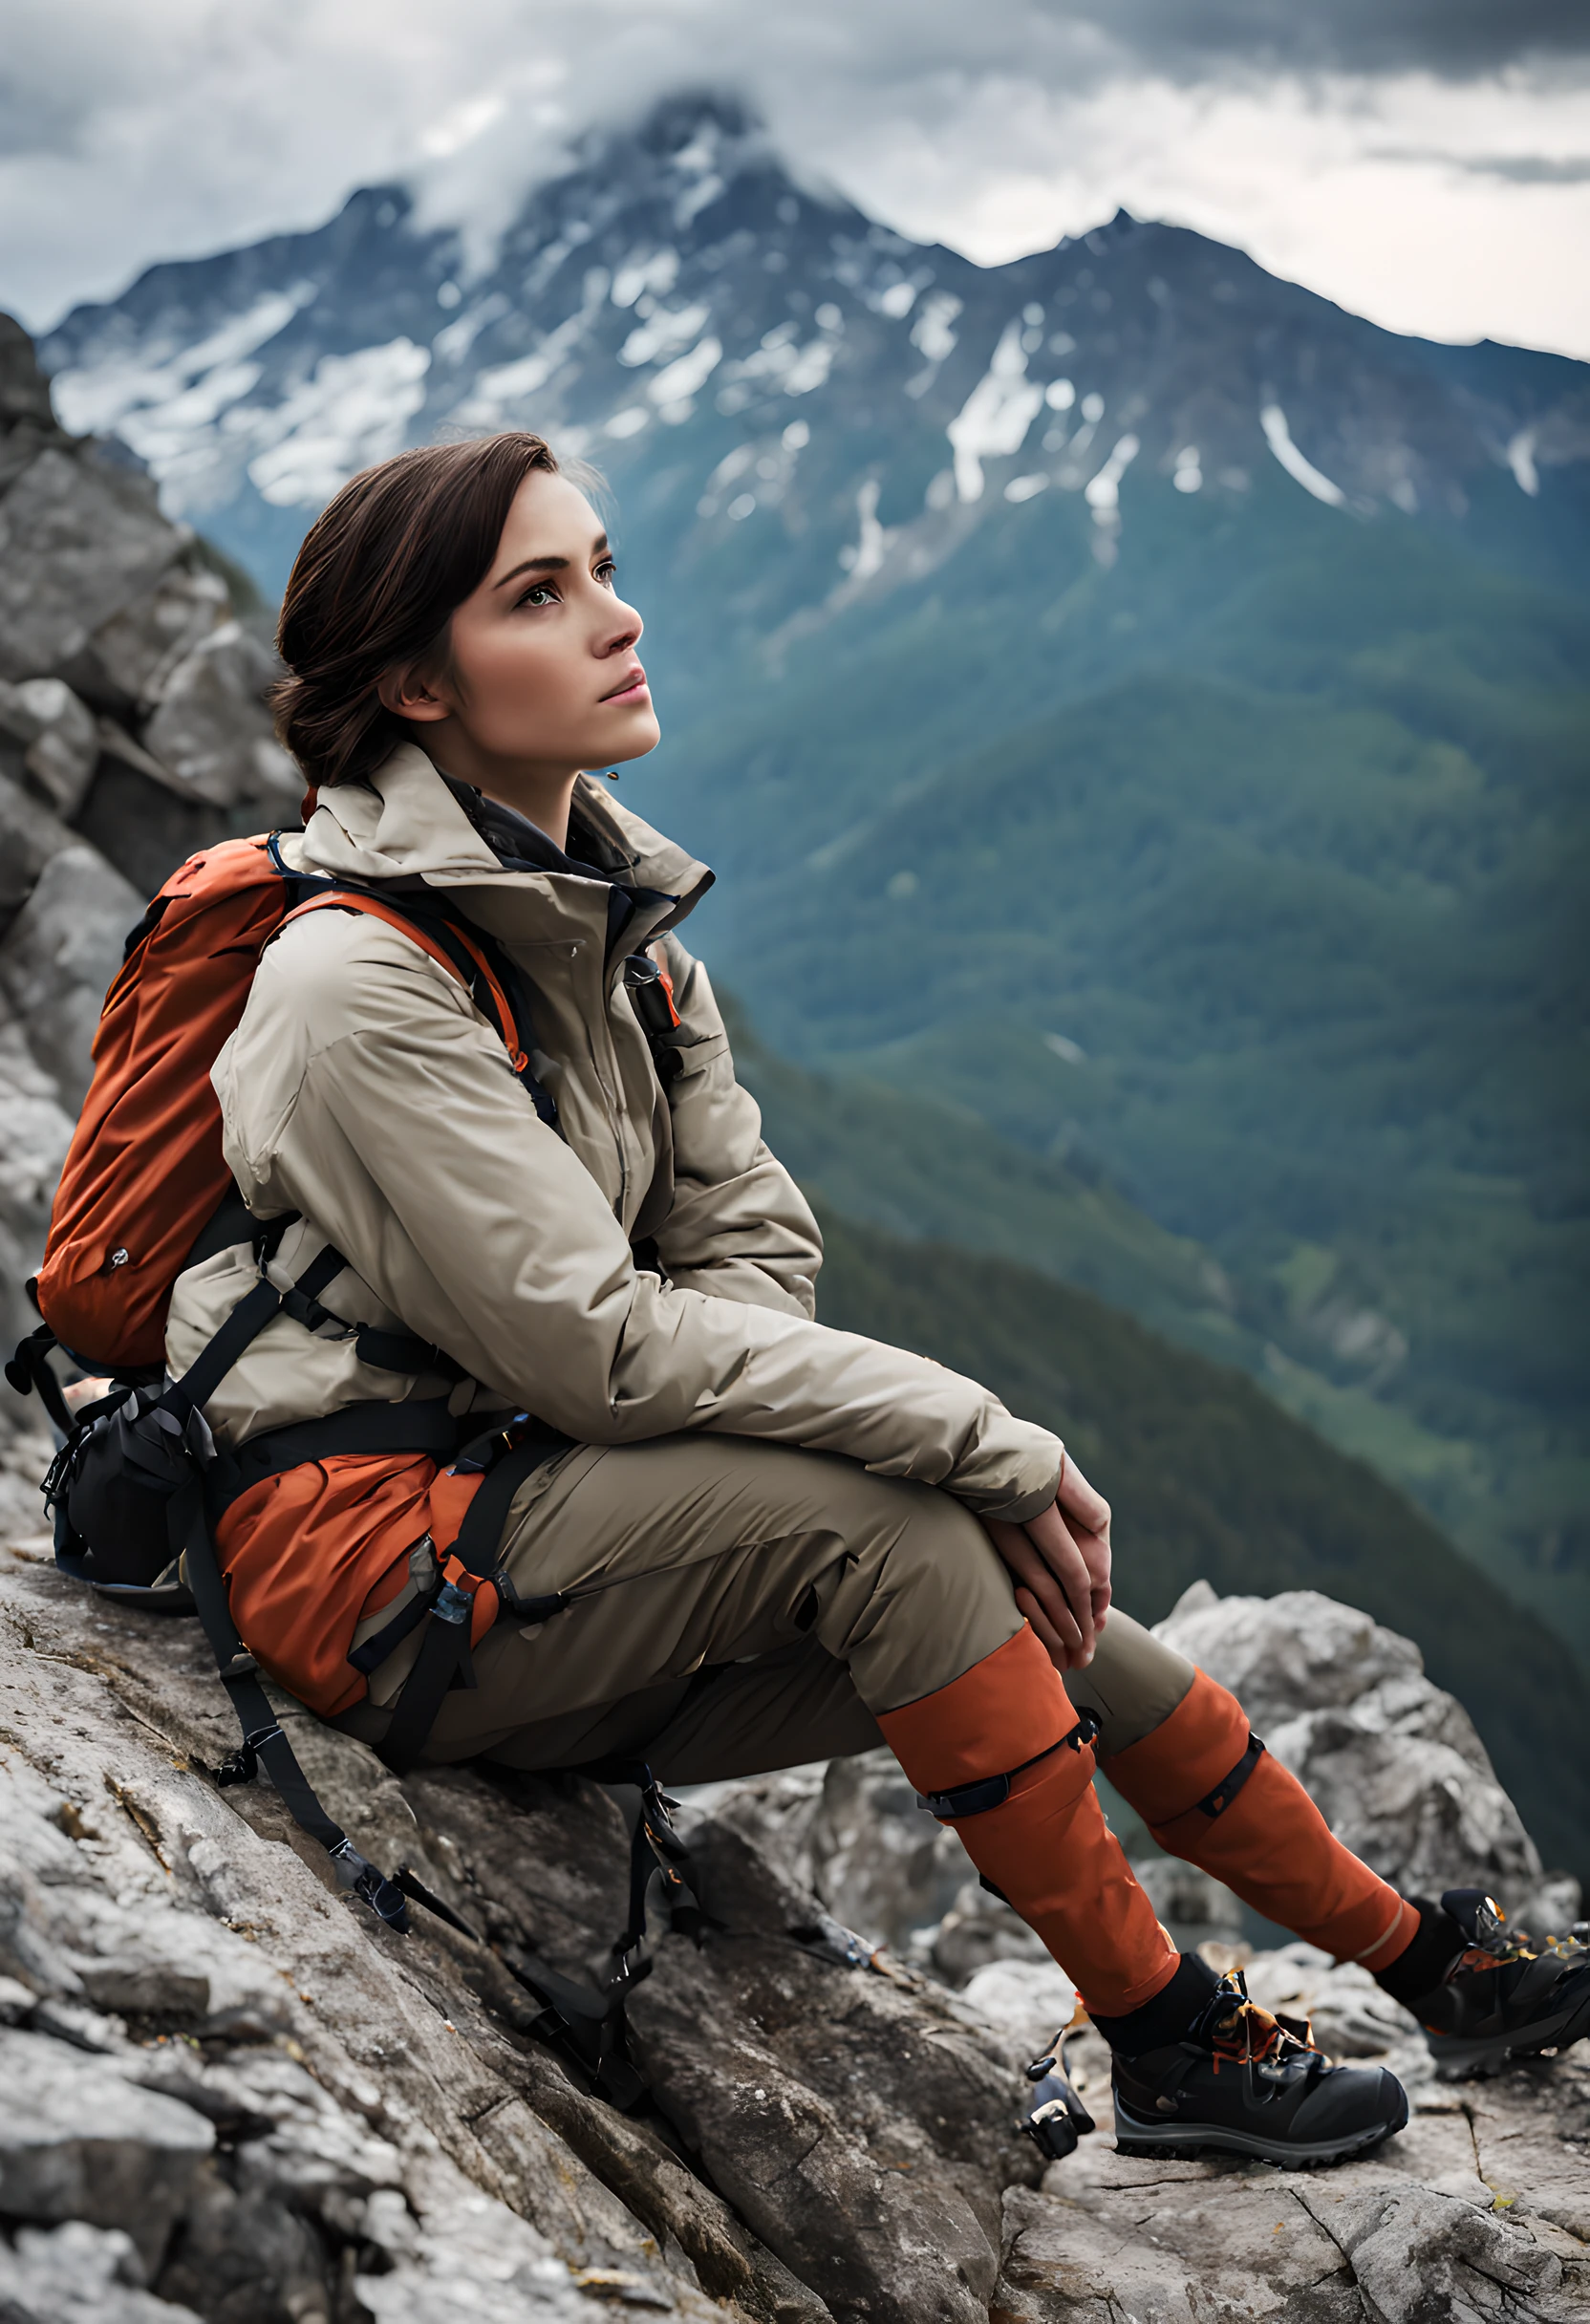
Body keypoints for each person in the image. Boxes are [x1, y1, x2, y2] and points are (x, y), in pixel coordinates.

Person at [167, 430, 1589, 2164]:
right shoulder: (357, 979)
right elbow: (607, 1347)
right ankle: (1166, 2045)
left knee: (1008, 1576)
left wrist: (746, 1392)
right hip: (374, 1569)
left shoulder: (623, 937)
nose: (617, 618)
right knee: (915, 1529)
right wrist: (979, 1432)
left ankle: (1417, 1956)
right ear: (411, 679)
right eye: (540, 595)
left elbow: (753, 1250)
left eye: (604, 567)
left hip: (537, 1517)